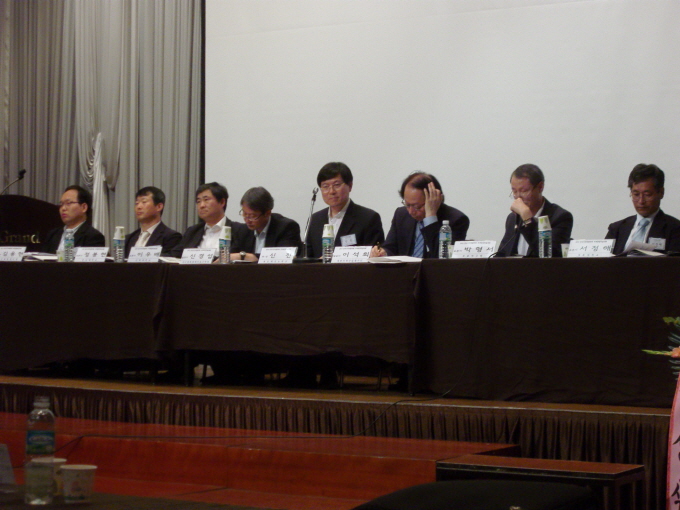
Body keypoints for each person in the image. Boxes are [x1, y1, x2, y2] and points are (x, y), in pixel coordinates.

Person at [371, 172, 469, 258]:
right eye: (407, 205)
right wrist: (383, 252)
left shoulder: (457, 220)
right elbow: (390, 247)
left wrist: (430, 217)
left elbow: (443, 257)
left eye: (417, 207)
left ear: (434, 199)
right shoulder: (401, 214)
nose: (411, 211)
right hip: (405, 272)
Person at [305, 162, 384, 258]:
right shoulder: (315, 220)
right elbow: (308, 257)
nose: (331, 191)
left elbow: (374, 255)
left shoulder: (368, 218)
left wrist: (334, 258)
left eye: (337, 185)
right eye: (325, 186)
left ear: (350, 186)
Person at [498, 164, 573, 257]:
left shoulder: (560, 217)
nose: (518, 198)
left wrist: (527, 218)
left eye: (524, 191)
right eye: (514, 191)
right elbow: (502, 255)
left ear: (540, 187)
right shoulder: (513, 218)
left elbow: (549, 255)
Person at [605, 164, 680, 255]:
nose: (641, 201)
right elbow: (604, 260)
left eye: (647, 195)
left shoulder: (675, 229)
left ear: (661, 192)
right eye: (636, 194)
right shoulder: (617, 229)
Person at [170, 182, 246, 258]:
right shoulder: (192, 232)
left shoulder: (240, 231)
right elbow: (174, 255)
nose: (201, 205)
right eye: (198, 201)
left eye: (206, 200)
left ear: (222, 202)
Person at [230, 187, 301, 261]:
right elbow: (232, 256)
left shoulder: (287, 228)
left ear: (267, 213)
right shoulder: (242, 231)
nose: (247, 220)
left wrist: (249, 257)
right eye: (244, 214)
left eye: (252, 216)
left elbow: (284, 257)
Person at [42, 185, 105, 253]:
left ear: (84, 207)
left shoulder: (93, 236)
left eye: (68, 203)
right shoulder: (53, 234)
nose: (63, 208)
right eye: (61, 204)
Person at [124, 186, 182, 258]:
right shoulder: (129, 238)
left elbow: (167, 261)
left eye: (144, 202)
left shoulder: (171, 237)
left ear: (159, 207)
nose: (138, 207)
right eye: (137, 203)